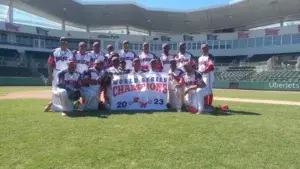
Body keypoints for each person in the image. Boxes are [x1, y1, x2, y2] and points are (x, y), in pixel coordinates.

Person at [44, 37, 73, 112]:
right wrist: (50, 75)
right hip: (56, 72)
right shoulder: (54, 51)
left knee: (65, 89)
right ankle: (53, 104)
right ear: (60, 43)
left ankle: (56, 105)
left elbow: (72, 65)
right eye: (62, 42)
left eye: (65, 42)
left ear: (67, 44)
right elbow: (49, 64)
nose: (63, 44)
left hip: (66, 73)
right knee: (55, 90)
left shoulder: (70, 53)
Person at [198, 44, 214, 111]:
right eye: (202, 48)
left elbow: (211, 66)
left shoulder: (210, 56)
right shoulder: (200, 58)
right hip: (201, 75)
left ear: (208, 49)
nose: (204, 49)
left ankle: (209, 105)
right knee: (202, 90)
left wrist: (203, 72)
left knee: (209, 90)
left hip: (208, 75)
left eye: (205, 48)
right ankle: (204, 104)